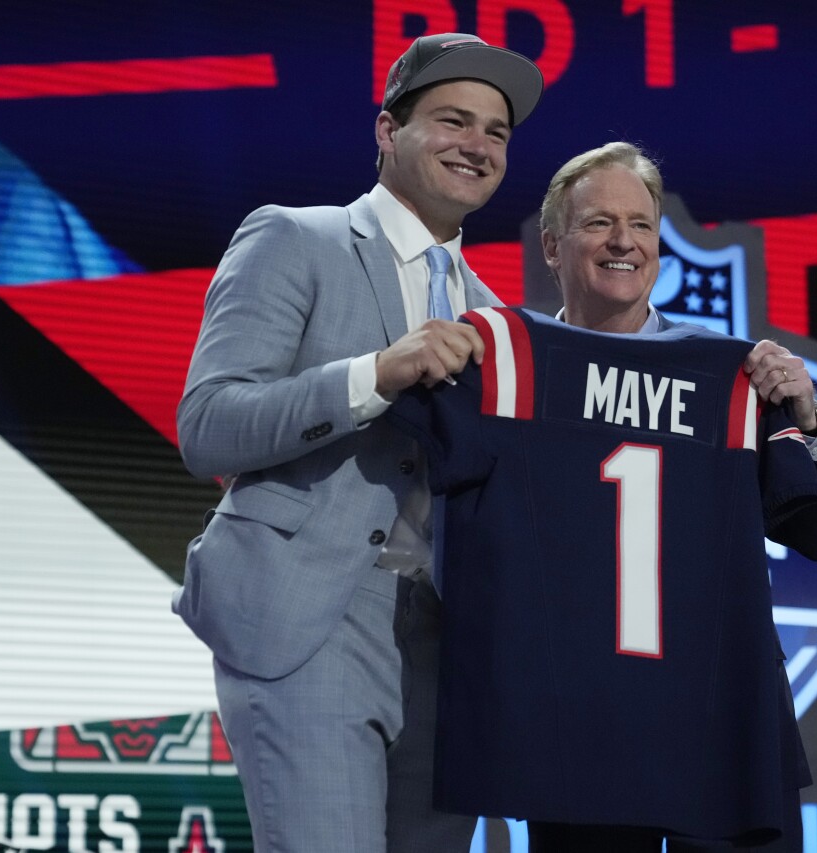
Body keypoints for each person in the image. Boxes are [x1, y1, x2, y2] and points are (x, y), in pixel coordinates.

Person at [384, 141, 817, 851]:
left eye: (640, 224)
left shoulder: (736, 377)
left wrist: (806, 417)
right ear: (551, 244)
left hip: (717, 721)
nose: (623, 241)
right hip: (574, 732)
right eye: (599, 223)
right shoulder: (501, 361)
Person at [170, 33, 543, 853]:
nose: (477, 145)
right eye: (453, 120)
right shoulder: (295, 238)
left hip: (448, 643)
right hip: (316, 613)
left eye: (497, 132)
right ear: (386, 131)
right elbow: (208, 426)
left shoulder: (501, 322)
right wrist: (375, 373)